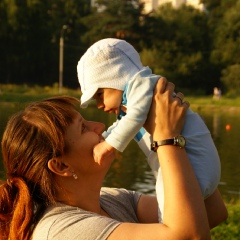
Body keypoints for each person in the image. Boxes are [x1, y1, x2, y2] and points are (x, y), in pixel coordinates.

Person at [0, 80, 227, 239]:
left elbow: (211, 212)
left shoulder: (113, 199)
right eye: (83, 129)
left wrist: (166, 124)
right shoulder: (62, 231)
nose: (99, 127)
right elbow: (191, 236)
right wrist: (167, 139)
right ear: (61, 165)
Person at [77, 38, 221, 222]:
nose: (99, 105)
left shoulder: (140, 84)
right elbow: (123, 124)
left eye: (100, 94)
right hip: (194, 165)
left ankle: (167, 230)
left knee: (169, 211)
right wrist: (105, 138)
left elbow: (135, 118)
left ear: (118, 76)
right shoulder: (132, 100)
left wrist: (108, 145)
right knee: (177, 207)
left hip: (195, 163)